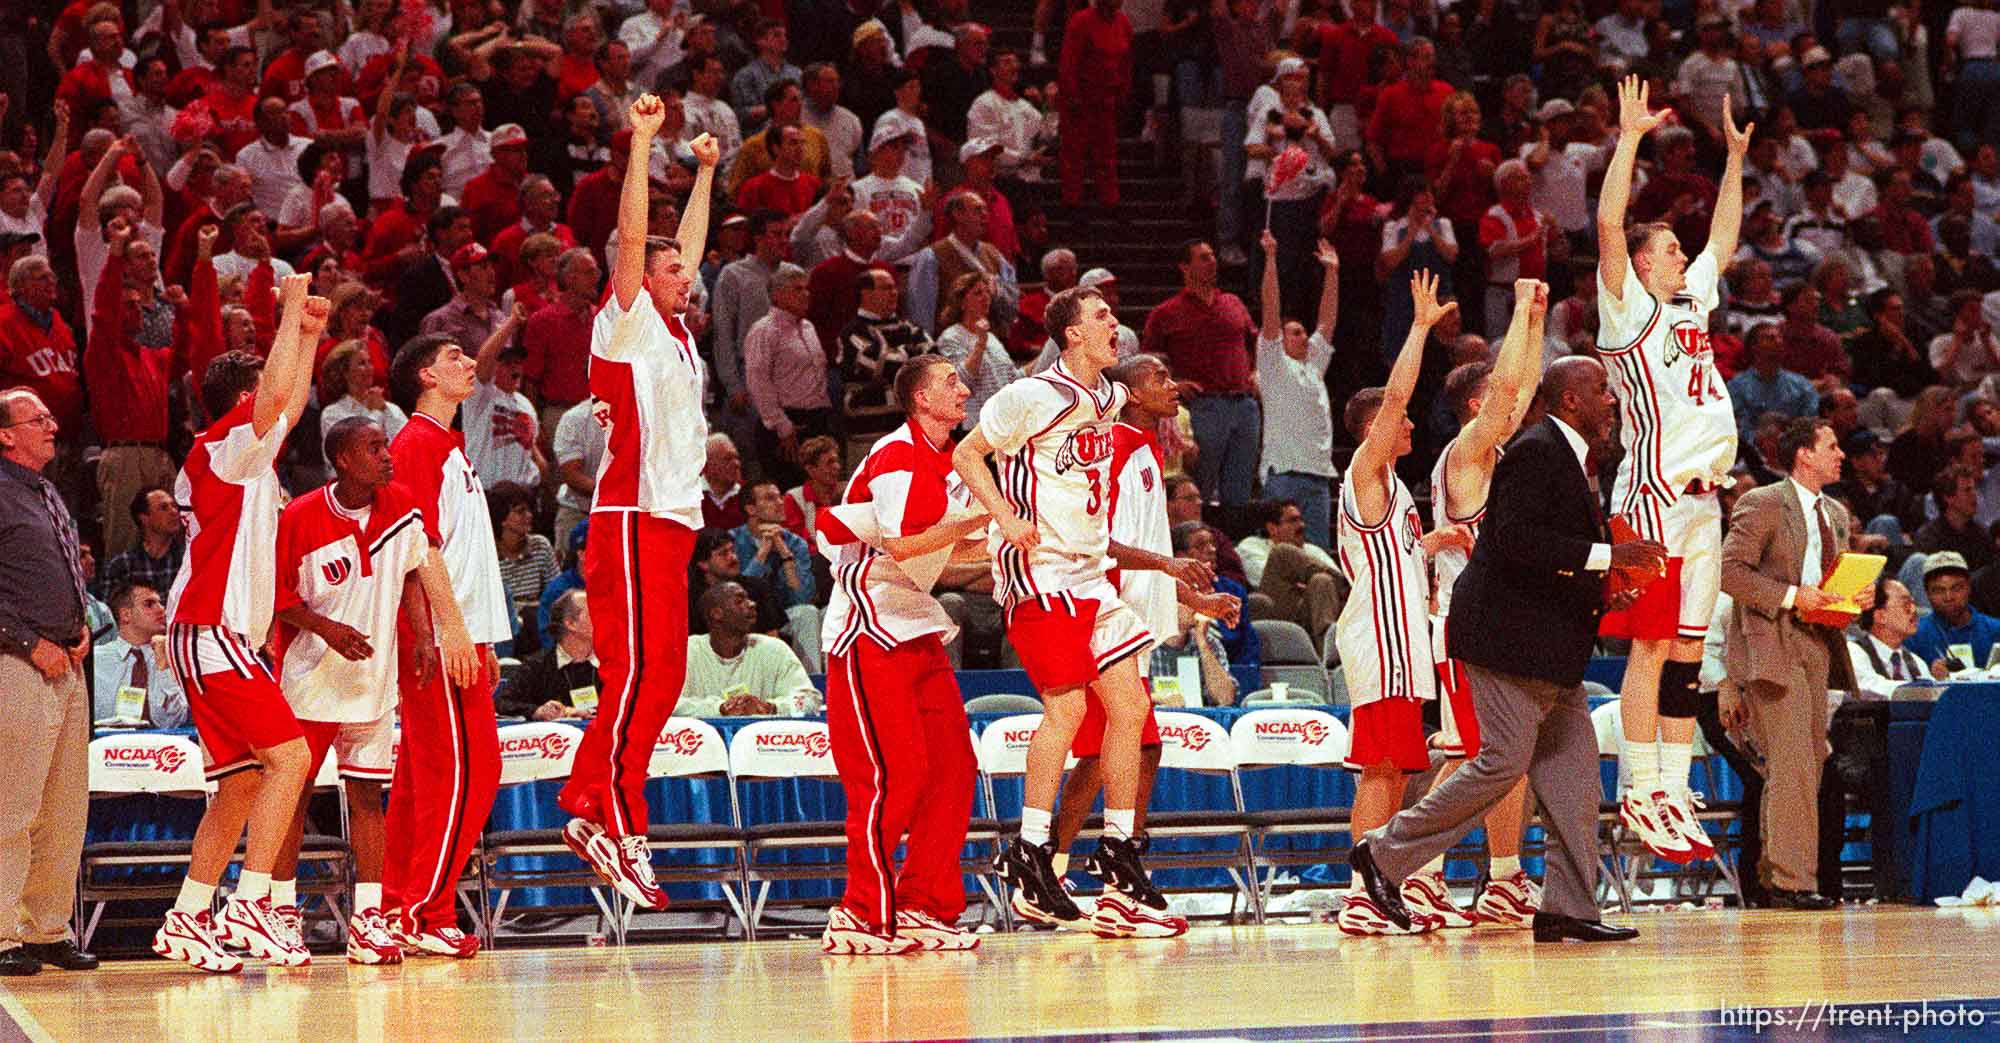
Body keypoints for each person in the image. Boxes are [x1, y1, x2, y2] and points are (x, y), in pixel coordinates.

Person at [1351, 356, 1659, 943]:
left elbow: (1554, 555)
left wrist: (1605, 590)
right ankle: (1383, 854)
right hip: (1506, 640)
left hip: (1552, 646)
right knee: (1501, 763)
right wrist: (1606, 559)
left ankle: (1568, 906)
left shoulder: (1574, 457)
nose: (1613, 400)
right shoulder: (1536, 450)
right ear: (1570, 400)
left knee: (1574, 784)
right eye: (1601, 390)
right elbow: (1515, 540)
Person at [557, 99, 723, 914]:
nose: (683, 278)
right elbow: (636, 242)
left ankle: (589, 809)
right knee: (630, 677)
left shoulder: (679, 331)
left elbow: (682, 247)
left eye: (685, 274)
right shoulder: (625, 325)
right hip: (626, 515)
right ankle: (619, 821)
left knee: (661, 680)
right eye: (669, 273)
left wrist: (707, 174)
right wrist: (643, 146)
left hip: (673, 520)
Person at [953, 285, 1161, 925]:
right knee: (1068, 707)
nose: (1114, 325)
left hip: (1091, 574)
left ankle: (1121, 849)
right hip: (1039, 572)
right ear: (1070, 334)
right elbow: (966, 454)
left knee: (1131, 709)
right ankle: (1030, 850)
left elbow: (1104, 449)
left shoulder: (1110, 398)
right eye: (1101, 317)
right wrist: (1004, 519)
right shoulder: (1028, 395)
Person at [1593, 78, 1752, 865]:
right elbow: (1606, 227)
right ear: (1646, 264)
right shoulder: (1627, 310)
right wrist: (1628, 139)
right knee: (1650, 647)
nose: (1684, 258)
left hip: (1705, 501)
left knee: (1692, 650)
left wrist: (1736, 162)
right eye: (1671, 251)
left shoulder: (1693, 302)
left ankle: (1675, 783)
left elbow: (1724, 236)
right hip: (1653, 496)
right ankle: (1638, 785)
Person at [154, 278, 323, 973]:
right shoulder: (219, 448)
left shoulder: (248, 455)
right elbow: (277, 398)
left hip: (216, 636)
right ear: (238, 401)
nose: (276, 401)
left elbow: (290, 400)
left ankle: (188, 915)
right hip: (211, 631)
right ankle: (253, 899)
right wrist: (284, 315)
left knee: (245, 781)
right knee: (293, 757)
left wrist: (308, 335)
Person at [272, 416, 476, 963]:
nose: (387, 455)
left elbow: (413, 570)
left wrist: (424, 635)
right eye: (373, 447)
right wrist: (328, 629)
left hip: (374, 680)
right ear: (342, 459)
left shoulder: (403, 504)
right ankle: (280, 911)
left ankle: (369, 918)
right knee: (295, 796)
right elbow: (278, 596)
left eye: (386, 445)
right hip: (309, 680)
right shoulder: (299, 516)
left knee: (366, 797)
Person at [1048, 353, 1236, 939]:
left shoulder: (1148, 452)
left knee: (1112, 753)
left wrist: (1190, 601)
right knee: (1130, 748)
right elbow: (1103, 544)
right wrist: (1150, 586)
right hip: (1104, 616)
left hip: (1129, 619)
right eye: (1158, 378)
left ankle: (1075, 873)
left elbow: (1146, 548)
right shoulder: (1119, 448)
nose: (1172, 382)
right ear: (1128, 394)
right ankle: (1098, 876)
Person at [816, 354, 989, 954]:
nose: (964, 389)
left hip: (915, 623)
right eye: (951, 381)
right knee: (892, 775)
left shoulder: (955, 462)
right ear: (919, 399)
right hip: (867, 628)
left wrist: (1017, 558)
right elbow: (902, 540)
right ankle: (858, 913)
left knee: (953, 770)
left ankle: (924, 906)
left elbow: (956, 557)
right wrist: (984, 522)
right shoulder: (895, 453)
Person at [1395, 280, 1547, 931]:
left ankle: (1506, 878)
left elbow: (1524, 387)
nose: (1517, 407)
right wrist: (1517, 313)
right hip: (1467, 627)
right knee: (1468, 754)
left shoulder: (1500, 456)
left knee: (1507, 754)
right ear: (1480, 406)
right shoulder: (1464, 456)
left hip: (1505, 623)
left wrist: (1535, 320)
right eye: (1503, 402)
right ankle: (1419, 873)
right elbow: (1512, 391)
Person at [1330, 271, 1466, 935]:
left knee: (1398, 772)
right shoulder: (1366, 468)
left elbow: (1393, 555)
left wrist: (1436, 537)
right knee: (1380, 772)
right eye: (1396, 420)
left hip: (1404, 641)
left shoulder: (1393, 495)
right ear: (1371, 429)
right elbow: (1397, 397)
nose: (1408, 423)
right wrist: (1417, 329)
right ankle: (1362, 892)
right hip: (1379, 644)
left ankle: (1382, 881)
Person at [380, 326, 513, 958]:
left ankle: (399, 905)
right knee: (465, 773)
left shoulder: (447, 445)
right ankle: (423, 910)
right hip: (437, 635)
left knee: (424, 778)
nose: (469, 362)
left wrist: (481, 638)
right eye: (454, 356)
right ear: (426, 377)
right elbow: (415, 546)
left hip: (459, 633)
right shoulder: (416, 444)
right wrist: (450, 629)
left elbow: (461, 553)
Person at [1718, 417, 1864, 909]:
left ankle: (1774, 874)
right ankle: (1791, 881)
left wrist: (1850, 598)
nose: (1841, 454)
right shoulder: (1762, 503)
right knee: (1794, 763)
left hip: (1817, 641)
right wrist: (1789, 596)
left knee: (1807, 762)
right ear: (1804, 454)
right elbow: (1730, 572)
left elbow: (1826, 587)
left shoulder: (1837, 514)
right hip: (1770, 640)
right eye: (1832, 445)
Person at [0, 388, 100, 977]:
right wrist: (27, 641)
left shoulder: (46, 491)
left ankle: (46, 930)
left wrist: (81, 623)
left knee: (66, 807)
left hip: (67, 660)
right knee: (12, 803)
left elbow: (57, 570)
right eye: (35, 419)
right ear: (5, 435)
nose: (51, 424)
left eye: (49, 416)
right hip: (18, 662)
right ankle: (1, 932)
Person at [1142, 240, 1260, 506]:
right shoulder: (1166, 313)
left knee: (1240, 489)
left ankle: (1232, 540)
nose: (1213, 262)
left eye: (1213, 256)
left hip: (1244, 405)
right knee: (1201, 486)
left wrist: (1256, 372)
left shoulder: (1232, 303)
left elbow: (1255, 342)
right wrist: (1174, 384)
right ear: (1185, 266)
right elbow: (1148, 362)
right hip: (1204, 406)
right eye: (1204, 258)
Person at [1255, 232, 1341, 549]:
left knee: (1318, 558)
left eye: (1304, 332)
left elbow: (1328, 322)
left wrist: (1332, 272)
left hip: (1318, 477)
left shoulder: (1314, 366)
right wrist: (1271, 258)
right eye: (1294, 332)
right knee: (1283, 556)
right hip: (1284, 477)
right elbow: (1270, 308)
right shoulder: (1273, 365)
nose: (1303, 336)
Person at [680, 582, 820, 717]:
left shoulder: (775, 649)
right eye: (740, 601)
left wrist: (770, 707)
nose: (753, 604)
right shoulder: (688, 651)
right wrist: (720, 708)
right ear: (717, 614)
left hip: (763, 738)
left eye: (749, 599)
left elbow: (810, 701)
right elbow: (669, 703)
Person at [730, 480, 823, 672]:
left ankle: (814, 682)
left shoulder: (795, 544)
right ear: (751, 509)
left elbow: (802, 597)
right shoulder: (732, 541)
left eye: (780, 496)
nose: (781, 502)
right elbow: (739, 594)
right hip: (750, 617)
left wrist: (784, 553)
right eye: (770, 498)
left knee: (809, 613)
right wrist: (763, 552)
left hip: (786, 615)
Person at [91, 581, 186, 727]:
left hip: (164, 745)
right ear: (125, 615)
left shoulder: (175, 658)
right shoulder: (94, 660)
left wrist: (164, 667)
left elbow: (175, 721)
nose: (162, 610)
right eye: (149, 604)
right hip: (104, 745)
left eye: (160, 603)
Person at [499, 589, 601, 721]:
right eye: (593, 611)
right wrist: (537, 711)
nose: (602, 615)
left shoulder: (614, 663)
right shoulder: (537, 665)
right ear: (570, 623)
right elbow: (503, 703)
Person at [1908, 551, 2000, 673]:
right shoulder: (1914, 634)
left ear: (1969, 588)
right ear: (1927, 594)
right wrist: (1928, 677)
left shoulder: (1995, 630)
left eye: (1956, 588)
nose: (1948, 597)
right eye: (1938, 590)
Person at [96, 486, 185, 599]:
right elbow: (108, 614)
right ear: (144, 518)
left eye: (174, 506)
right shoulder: (122, 567)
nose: (174, 512)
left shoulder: (189, 560)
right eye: (163, 508)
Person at [1848, 578, 1929, 697]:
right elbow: (1871, 688)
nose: (1913, 610)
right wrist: (1920, 690)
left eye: (1913, 603)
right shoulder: (1854, 652)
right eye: (1906, 604)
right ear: (1880, 616)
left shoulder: (1918, 663)